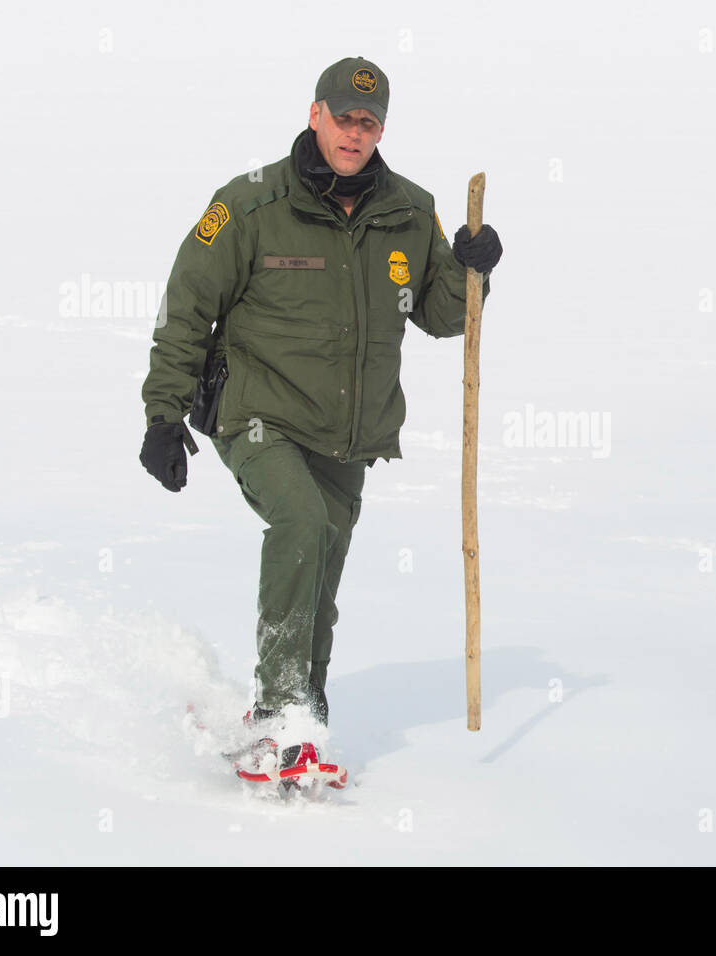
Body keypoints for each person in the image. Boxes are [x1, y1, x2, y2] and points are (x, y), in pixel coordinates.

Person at [138, 56, 502, 772]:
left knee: (324, 559)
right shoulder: (249, 205)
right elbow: (188, 309)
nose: (354, 133)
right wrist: (162, 413)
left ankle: (306, 710)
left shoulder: (408, 209)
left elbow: (436, 316)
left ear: (381, 128)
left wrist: (472, 272)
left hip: (348, 432)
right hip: (256, 413)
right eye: (343, 118)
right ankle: (279, 711)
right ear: (315, 115)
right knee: (301, 523)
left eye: (368, 122)